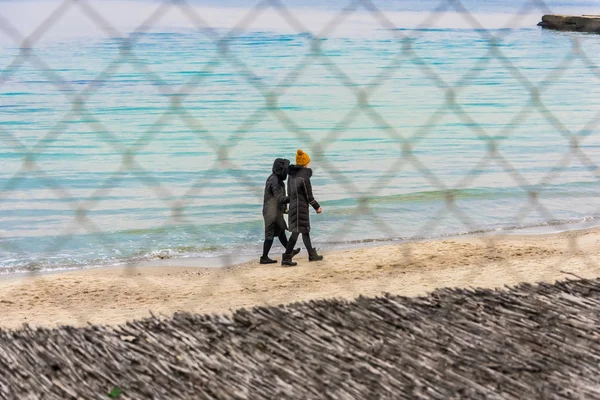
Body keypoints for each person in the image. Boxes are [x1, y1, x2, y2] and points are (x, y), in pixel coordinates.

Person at [281, 149, 324, 267]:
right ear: (305, 163)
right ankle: (286, 257)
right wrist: (317, 207)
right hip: (301, 208)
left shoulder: (291, 176)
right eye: (308, 162)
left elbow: (289, 194)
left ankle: (311, 254)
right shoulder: (304, 177)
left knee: (304, 231)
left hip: (294, 206)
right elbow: (308, 195)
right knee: (297, 232)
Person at [261, 158, 300, 264]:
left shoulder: (275, 178)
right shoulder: (275, 181)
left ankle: (289, 250)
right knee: (269, 235)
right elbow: (279, 198)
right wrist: (292, 197)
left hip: (275, 211)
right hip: (271, 212)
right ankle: (264, 257)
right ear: (281, 169)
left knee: (281, 231)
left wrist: (285, 209)